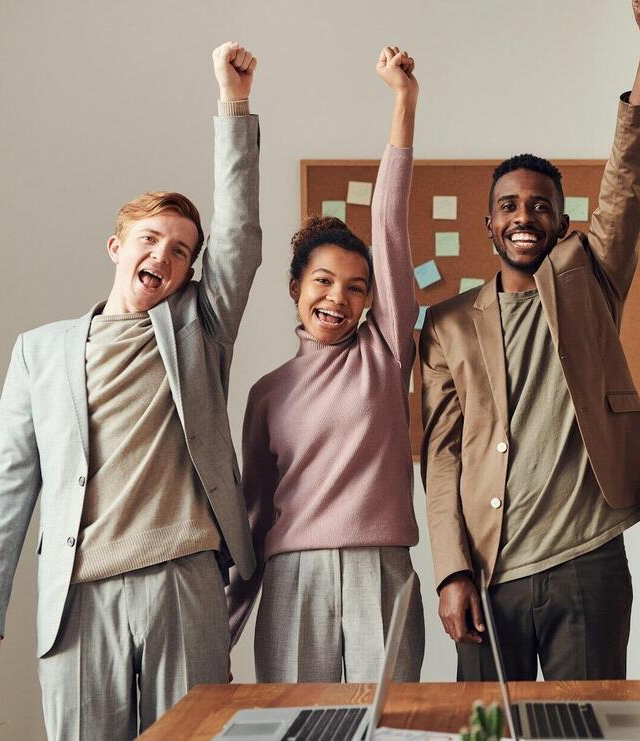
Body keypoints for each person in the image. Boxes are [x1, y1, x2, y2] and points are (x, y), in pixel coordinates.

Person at [0, 42, 262, 739]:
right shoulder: (39, 351)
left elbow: (240, 235)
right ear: (116, 246)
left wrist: (233, 104)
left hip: (183, 581)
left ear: (191, 271)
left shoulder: (199, 332)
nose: (165, 254)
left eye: (183, 249)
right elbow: (9, 486)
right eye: (151, 239)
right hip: (78, 593)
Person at [418, 0, 640, 682]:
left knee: (584, 729)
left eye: (539, 205)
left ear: (562, 222)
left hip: (587, 561)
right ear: (489, 225)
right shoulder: (446, 325)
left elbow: (627, 178)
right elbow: (440, 457)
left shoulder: (590, 278)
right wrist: (449, 572)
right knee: (481, 729)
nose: (524, 214)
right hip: (488, 570)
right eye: (509, 205)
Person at [225, 46, 424, 683]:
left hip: (382, 570)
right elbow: (254, 516)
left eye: (357, 286)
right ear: (295, 287)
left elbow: (388, 224)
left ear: (372, 299)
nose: (338, 297)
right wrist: (222, 629)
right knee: (294, 727)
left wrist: (403, 102)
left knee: (387, 728)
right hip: (292, 580)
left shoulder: (386, 353)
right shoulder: (267, 394)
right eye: (323, 281)